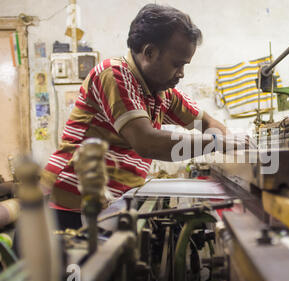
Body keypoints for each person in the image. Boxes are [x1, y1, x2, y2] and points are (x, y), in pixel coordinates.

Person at [41, 4, 250, 230]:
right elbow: (147, 142)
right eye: (177, 64)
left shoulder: (162, 92)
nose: (181, 73)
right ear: (149, 52)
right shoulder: (113, 74)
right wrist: (218, 143)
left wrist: (239, 158)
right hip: (68, 207)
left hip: (112, 202)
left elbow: (208, 123)